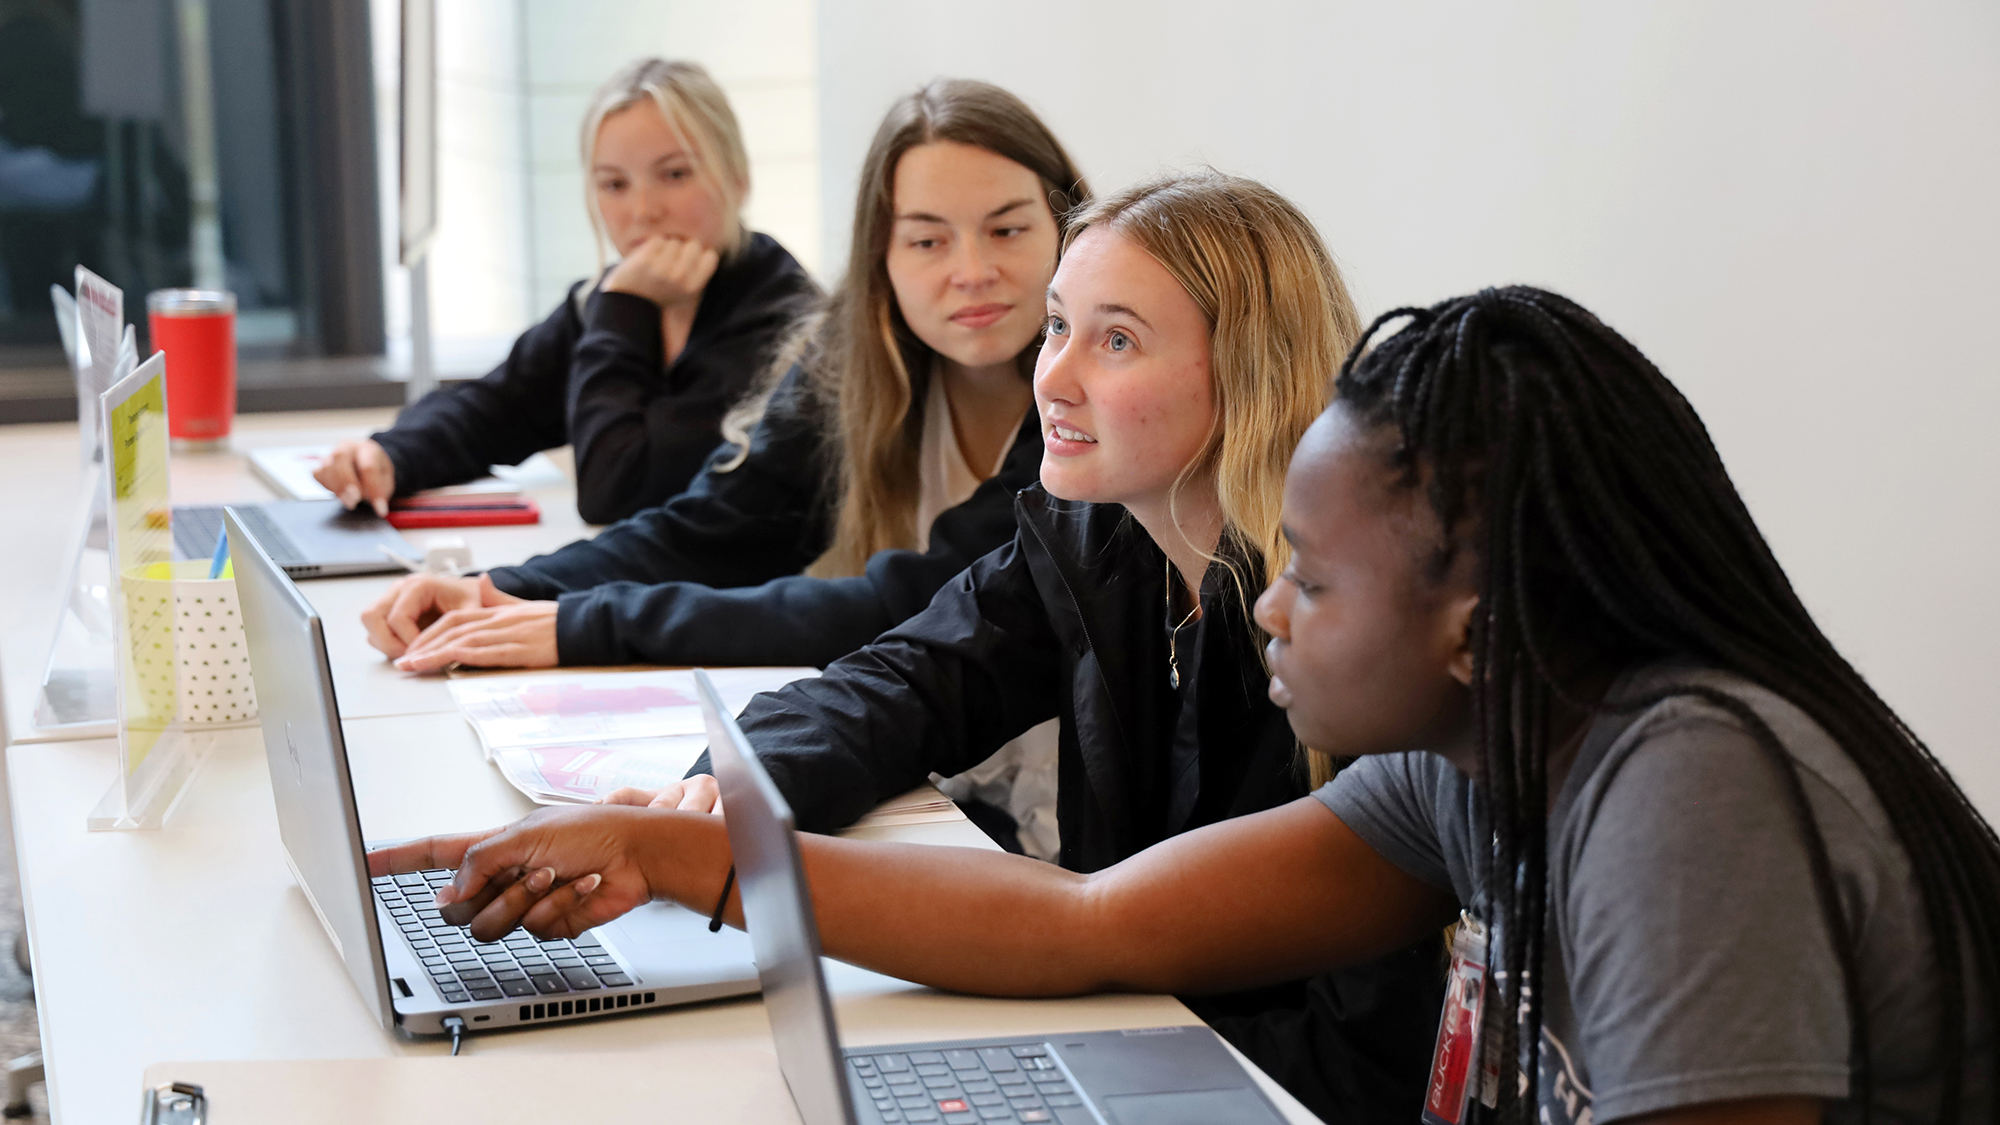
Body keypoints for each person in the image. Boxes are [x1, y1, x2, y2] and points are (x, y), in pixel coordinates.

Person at [375, 287, 2000, 1124]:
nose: (1271, 606)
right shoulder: (1480, 757)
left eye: (1313, 576)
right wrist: (695, 860)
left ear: (1473, 626)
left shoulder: (1687, 790)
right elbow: (1091, 928)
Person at [384, 171, 1449, 1125]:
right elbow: (898, 682)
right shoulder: (1091, 538)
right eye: (1056, 329)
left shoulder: (1345, 640)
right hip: (1137, 1040)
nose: (1055, 380)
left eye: (1114, 340)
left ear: (1249, 373)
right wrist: (711, 801)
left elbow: (1356, 1056)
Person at [360, 78, 1091, 860]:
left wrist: (590, 623)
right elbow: (715, 527)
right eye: (927, 240)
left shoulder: (1086, 406)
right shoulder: (852, 363)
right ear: (881, 255)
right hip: (938, 785)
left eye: (1007, 231)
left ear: (1068, 231)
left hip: (1066, 821)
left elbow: (901, 604)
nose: (971, 270)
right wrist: (511, 590)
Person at [314, 58, 817, 524]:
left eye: (675, 175)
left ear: (738, 179)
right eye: (614, 185)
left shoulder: (788, 330)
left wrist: (625, 309)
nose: (642, 211)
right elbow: (493, 409)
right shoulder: (608, 300)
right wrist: (389, 454)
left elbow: (614, 490)